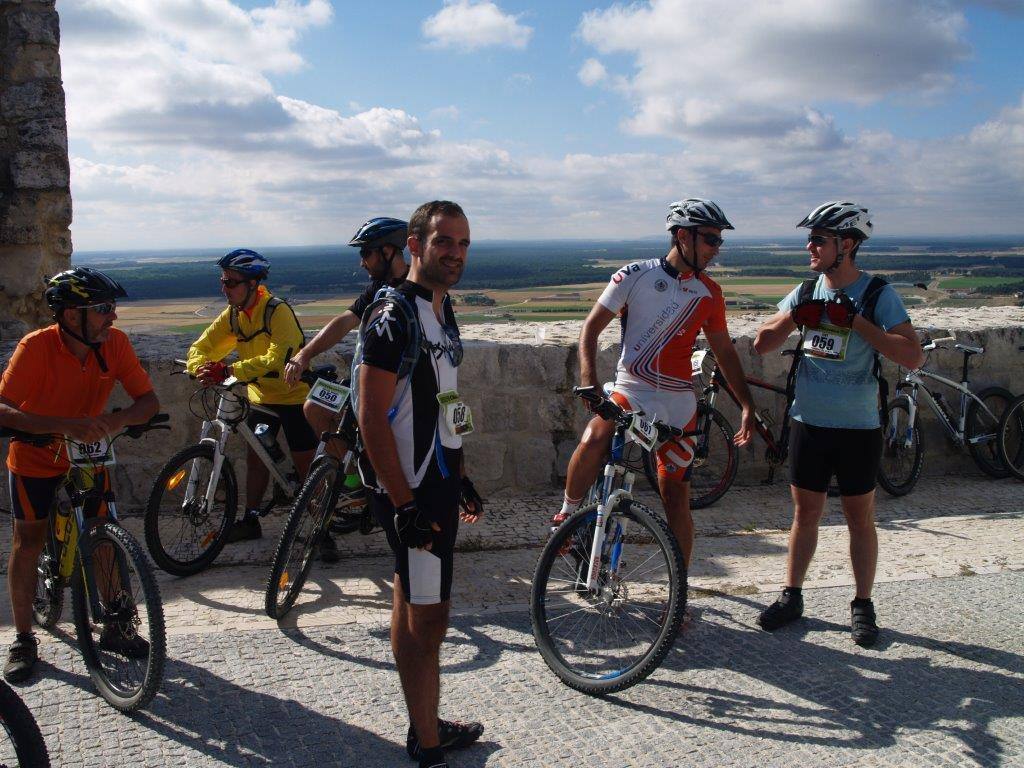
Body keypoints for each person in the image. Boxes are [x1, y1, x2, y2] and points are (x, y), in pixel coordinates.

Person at [753, 201, 924, 647]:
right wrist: (794, 317)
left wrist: (858, 322)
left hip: (858, 426)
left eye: (819, 239)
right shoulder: (807, 290)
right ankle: (792, 596)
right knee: (804, 513)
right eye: (810, 238)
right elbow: (762, 346)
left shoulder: (877, 294)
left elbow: (912, 355)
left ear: (846, 245)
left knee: (858, 517)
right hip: (809, 421)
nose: (810, 246)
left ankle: (862, 604)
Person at [557, 198, 755, 577]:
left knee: (675, 500)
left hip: (679, 403)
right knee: (594, 437)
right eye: (711, 240)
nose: (717, 249)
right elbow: (590, 328)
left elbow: (725, 351)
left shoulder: (710, 293)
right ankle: (566, 515)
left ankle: (679, 592)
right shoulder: (635, 274)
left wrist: (746, 403)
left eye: (719, 241)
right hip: (632, 388)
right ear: (683, 236)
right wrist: (588, 381)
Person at [354, 201, 485, 768]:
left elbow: (442, 397)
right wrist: (405, 504)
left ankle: (423, 722)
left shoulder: (441, 307)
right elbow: (369, 414)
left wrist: (461, 471)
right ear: (415, 243)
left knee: (413, 597)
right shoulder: (393, 316)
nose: (455, 253)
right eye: (443, 242)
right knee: (430, 613)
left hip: (435, 479)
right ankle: (428, 742)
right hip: (410, 489)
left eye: (463, 243)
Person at [0, 267, 159, 682]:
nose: (113, 318)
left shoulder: (115, 345)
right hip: (35, 458)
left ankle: (117, 625)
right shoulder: (35, 348)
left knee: (103, 531)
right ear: (72, 316)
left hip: (88, 456)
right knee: (28, 539)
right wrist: (63, 424)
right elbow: (3, 409)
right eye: (103, 309)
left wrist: (118, 420)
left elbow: (148, 401)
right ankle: (22, 637)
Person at [284, 218, 409, 561]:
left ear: (389, 251)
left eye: (367, 253)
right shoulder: (378, 289)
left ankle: (361, 481)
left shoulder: (412, 289)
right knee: (313, 407)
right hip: (358, 384)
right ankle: (349, 474)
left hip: (392, 393)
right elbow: (343, 321)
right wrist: (305, 354)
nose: (362, 261)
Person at [186, 249, 318, 542]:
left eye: (231, 282)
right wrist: (201, 369)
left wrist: (231, 369)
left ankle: (321, 527)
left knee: (305, 463)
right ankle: (251, 520)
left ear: (252, 284)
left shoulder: (276, 311)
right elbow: (201, 347)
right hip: (261, 397)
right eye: (223, 281)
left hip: (294, 396)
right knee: (257, 459)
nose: (224, 288)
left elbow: (277, 359)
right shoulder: (234, 315)